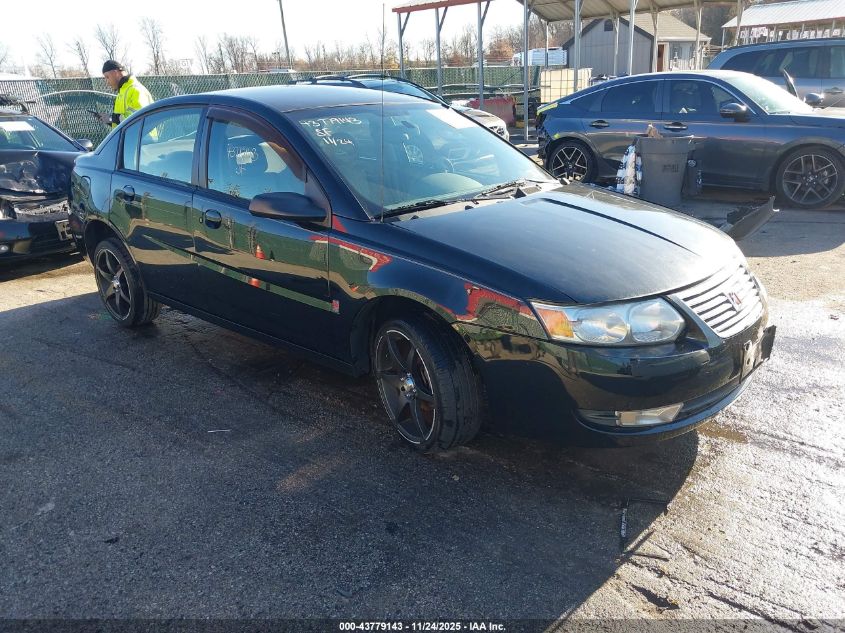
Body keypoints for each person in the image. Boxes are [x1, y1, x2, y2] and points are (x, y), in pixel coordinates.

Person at [98, 60, 153, 128]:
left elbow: (138, 117)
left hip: (145, 138)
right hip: (132, 137)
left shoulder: (135, 89)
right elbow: (121, 121)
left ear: (116, 73)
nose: (107, 82)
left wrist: (113, 119)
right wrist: (109, 120)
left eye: (107, 77)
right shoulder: (122, 92)